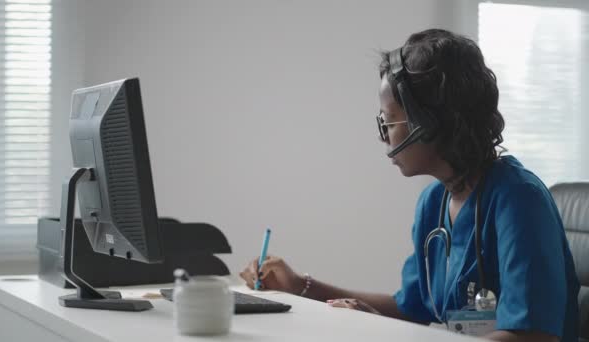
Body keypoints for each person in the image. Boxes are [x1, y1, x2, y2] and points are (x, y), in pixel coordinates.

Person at [239, 29, 580, 342]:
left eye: (389, 120)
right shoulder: (434, 201)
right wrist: (300, 285)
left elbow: (533, 336)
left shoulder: (520, 200)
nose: (382, 134)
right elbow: (409, 307)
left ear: (430, 121)